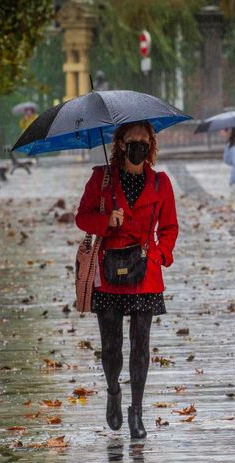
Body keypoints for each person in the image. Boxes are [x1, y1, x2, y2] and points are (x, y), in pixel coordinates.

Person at [75, 121, 179, 439]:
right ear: (119, 143)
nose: (138, 145)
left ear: (151, 144)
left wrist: (161, 254)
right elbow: (82, 217)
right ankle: (113, 391)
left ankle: (137, 410)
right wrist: (107, 220)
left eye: (144, 140)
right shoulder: (101, 178)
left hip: (145, 274)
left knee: (141, 346)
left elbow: (170, 227)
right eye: (132, 140)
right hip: (108, 273)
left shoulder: (161, 183)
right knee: (111, 347)